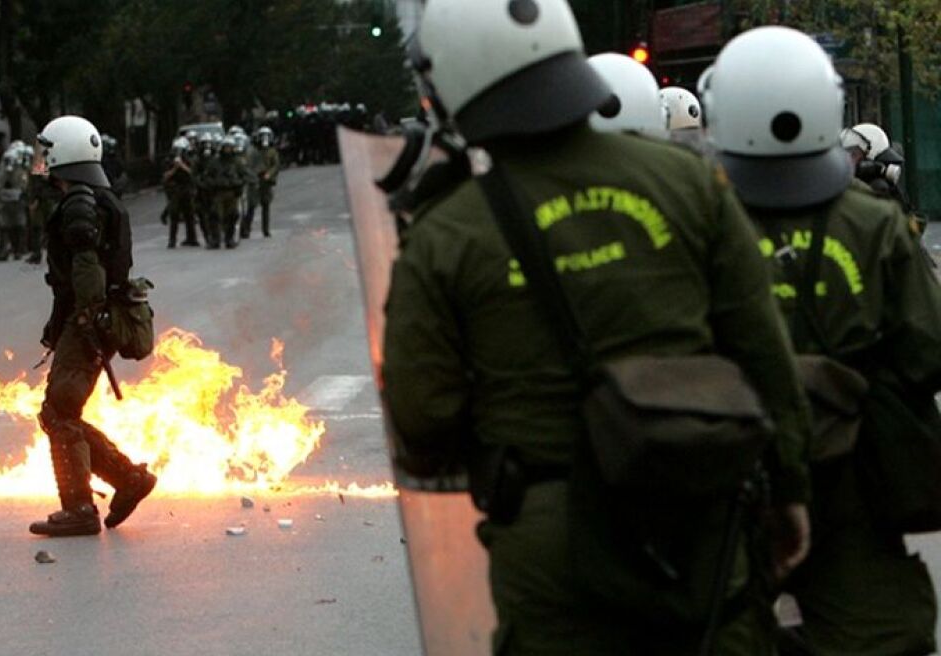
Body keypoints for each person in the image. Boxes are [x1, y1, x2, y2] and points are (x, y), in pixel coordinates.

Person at [380, 1, 813, 653]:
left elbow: (421, 414)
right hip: (702, 515)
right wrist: (789, 491)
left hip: (551, 546)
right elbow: (764, 354)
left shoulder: (446, 234)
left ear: (449, 81)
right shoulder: (690, 182)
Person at [702, 26, 941, 656]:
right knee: (884, 636)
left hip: (728, 474)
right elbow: (927, 351)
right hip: (856, 479)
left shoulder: (697, 220)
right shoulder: (876, 221)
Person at [30, 115, 156, 537]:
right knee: (61, 411)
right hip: (91, 318)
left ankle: (81, 508)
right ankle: (128, 480)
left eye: (46, 151)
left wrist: (88, 317)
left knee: (59, 411)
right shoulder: (97, 197)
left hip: (91, 320)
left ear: (63, 153)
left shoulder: (80, 203)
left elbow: (86, 268)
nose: (41, 160)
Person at [243, 126, 279, 238]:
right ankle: (246, 229)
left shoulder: (272, 151)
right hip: (255, 180)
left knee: (266, 205)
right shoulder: (253, 151)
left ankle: (266, 229)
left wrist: (270, 174)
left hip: (266, 180)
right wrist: (253, 178)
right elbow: (248, 166)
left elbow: (276, 165)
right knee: (251, 206)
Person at [0, 149, 29, 262]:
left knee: (19, 226)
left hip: (17, 202)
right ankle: (12, 249)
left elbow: (24, 185)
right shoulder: (2, 172)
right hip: (6, 203)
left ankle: (18, 250)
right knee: (9, 227)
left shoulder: (20, 172)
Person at [162, 137, 198, 248]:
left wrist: (182, 165)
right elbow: (165, 177)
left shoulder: (189, 159)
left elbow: (193, 173)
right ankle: (172, 240)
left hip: (187, 189)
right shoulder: (169, 160)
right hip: (175, 190)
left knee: (190, 215)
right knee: (174, 215)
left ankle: (192, 238)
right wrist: (174, 168)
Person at [25, 150, 58, 265]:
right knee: (39, 228)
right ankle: (38, 253)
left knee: (43, 228)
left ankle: (41, 254)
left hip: (45, 200)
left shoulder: (43, 164)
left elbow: (39, 185)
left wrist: (35, 199)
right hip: (45, 199)